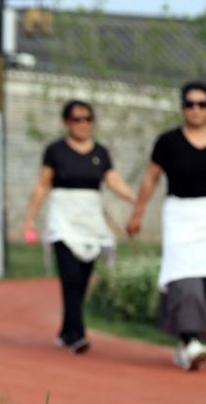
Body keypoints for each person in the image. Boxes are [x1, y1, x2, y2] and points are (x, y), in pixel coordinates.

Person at [126, 81, 206, 371]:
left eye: (202, 104)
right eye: (190, 104)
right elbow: (151, 178)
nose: (196, 109)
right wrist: (137, 213)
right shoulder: (167, 142)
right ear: (182, 108)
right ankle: (190, 340)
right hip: (179, 215)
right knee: (185, 277)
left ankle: (189, 345)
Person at [23, 99, 135, 354]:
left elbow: (113, 179)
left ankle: (66, 330)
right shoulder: (55, 151)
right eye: (76, 119)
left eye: (87, 119)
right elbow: (43, 185)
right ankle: (78, 335)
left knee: (83, 279)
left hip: (90, 221)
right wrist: (30, 218)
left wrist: (133, 198)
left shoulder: (100, 153)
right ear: (66, 123)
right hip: (63, 220)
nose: (83, 124)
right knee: (70, 276)